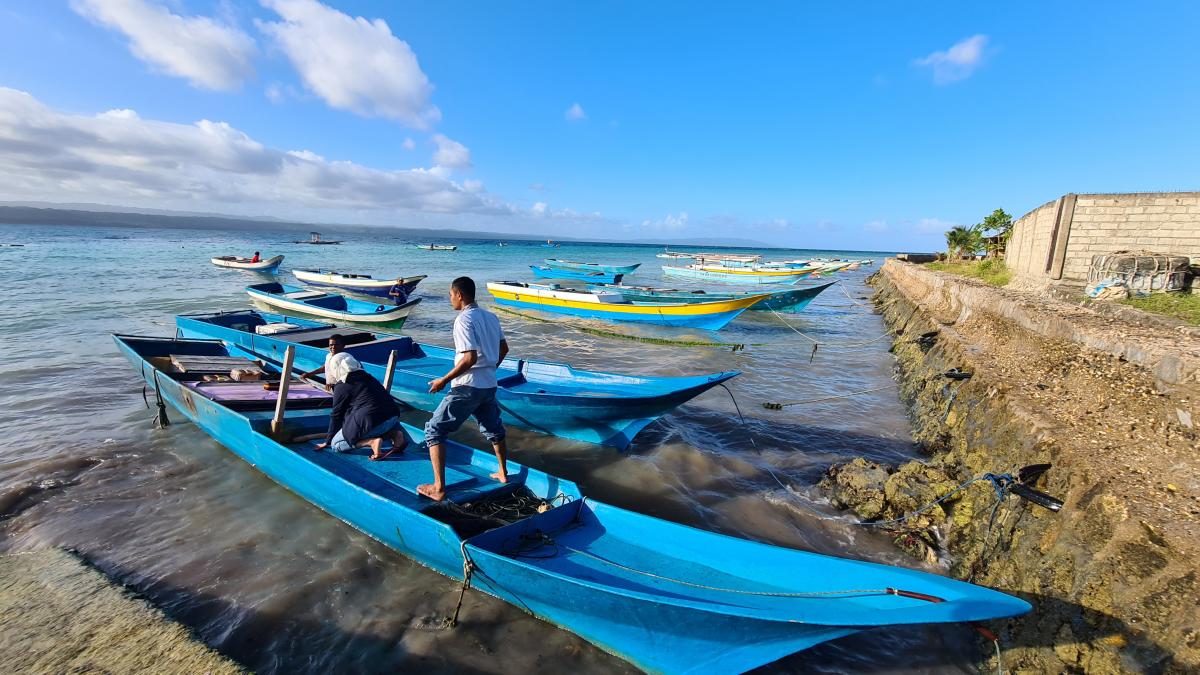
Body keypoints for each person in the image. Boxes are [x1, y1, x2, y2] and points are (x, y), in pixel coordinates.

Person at [417, 277, 509, 500]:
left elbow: (469, 358)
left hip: (467, 387)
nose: (450, 299)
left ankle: (438, 488)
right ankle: (503, 473)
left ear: (459, 294)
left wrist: (443, 380)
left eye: (450, 295)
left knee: (433, 430)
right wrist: (489, 369)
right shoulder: (491, 316)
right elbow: (504, 349)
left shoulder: (463, 320)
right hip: (488, 385)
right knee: (494, 430)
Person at [315, 352, 407, 460]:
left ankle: (371, 442)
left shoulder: (342, 385)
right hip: (393, 418)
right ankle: (395, 434)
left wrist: (328, 441)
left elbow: (337, 415)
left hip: (373, 422)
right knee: (363, 422)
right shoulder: (369, 377)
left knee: (336, 444)